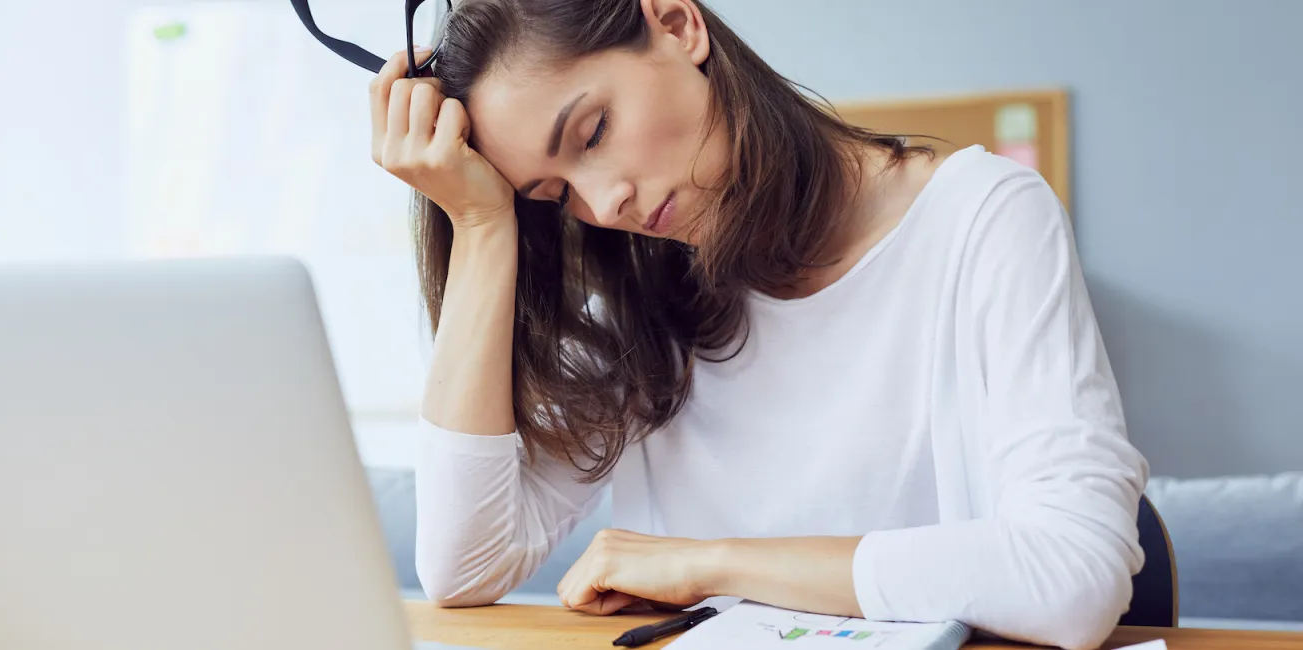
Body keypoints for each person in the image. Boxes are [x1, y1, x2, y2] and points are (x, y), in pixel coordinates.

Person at [366, 1, 1147, 648]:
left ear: (677, 25)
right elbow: (464, 567)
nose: (603, 206)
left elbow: (1073, 575)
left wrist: (706, 565)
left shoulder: (984, 218)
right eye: (552, 194)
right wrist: (480, 225)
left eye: (593, 132)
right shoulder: (640, 295)